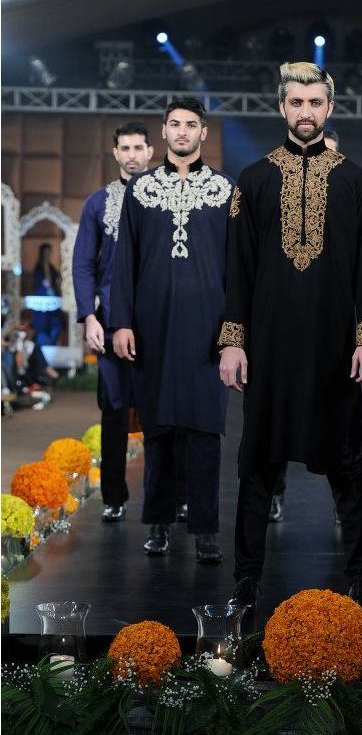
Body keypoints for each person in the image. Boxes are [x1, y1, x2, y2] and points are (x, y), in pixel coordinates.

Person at [219, 63, 362, 617]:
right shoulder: (254, 179)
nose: (306, 112)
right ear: (281, 108)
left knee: (349, 467)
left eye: (316, 103)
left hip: (333, 347)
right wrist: (233, 341)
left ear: (329, 108)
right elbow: (238, 269)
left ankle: (361, 580)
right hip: (269, 347)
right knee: (256, 467)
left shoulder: (355, 180)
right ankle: (246, 582)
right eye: (297, 102)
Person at [111, 97, 234, 563]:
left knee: (204, 430)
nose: (183, 131)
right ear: (163, 132)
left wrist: (234, 331)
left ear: (204, 132)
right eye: (175, 124)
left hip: (208, 329)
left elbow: (238, 266)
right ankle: (159, 525)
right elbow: (125, 261)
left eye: (191, 124)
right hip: (153, 327)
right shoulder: (141, 190)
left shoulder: (225, 190)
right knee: (159, 429)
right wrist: (122, 322)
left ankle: (205, 531)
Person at [73, 122, 155, 522]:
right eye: (126, 148)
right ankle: (114, 497)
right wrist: (89, 316)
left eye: (139, 147)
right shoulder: (98, 203)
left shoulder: (167, 196)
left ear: (150, 151)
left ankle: (172, 497)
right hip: (109, 320)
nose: (133, 155)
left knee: (164, 411)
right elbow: (83, 264)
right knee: (114, 410)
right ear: (116, 153)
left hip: (158, 320)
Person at [268, 125, 341, 525]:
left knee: (333, 419)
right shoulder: (278, 188)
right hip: (282, 326)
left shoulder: (348, 192)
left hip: (331, 330)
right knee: (278, 416)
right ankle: (274, 495)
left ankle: (341, 502)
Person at [31, 243, 63, 347]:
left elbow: (56, 277)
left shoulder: (51, 267)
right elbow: (37, 281)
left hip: (52, 302)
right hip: (41, 300)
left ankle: (52, 342)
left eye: (49, 252)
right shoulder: (38, 267)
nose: (47, 255)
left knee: (55, 322)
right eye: (45, 252)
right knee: (41, 323)